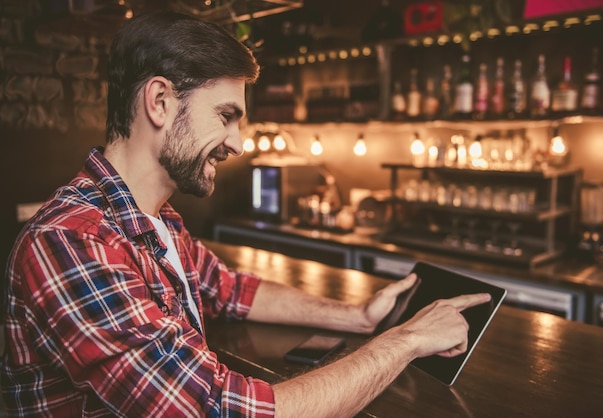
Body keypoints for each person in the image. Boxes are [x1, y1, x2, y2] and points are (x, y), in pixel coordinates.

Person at [1, 11, 490, 418]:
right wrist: (403, 341)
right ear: (160, 102)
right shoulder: (71, 242)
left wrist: (359, 317)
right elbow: (218, 411)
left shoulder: (154, 220)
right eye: (225, 116)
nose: (238, 143)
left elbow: (229, 290)